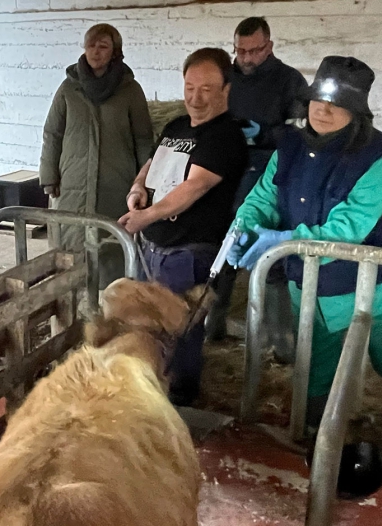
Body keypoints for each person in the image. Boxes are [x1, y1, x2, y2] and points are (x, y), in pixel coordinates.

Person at [226, 55, 382, 450]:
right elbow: (264, 197)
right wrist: (244, 225)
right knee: (313, 364)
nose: (323, 110)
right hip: (309, 286)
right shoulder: (290, 144)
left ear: (357, 110)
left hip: (373, 288)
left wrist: (282, 242)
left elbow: (348, 229)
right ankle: (311, 434)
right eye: (317, 99)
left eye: (337, 103)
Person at [118, 48, 248, 406]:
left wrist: (146, 217)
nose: (196, 97)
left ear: (226, 90)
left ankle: (180, 401)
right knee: (148, 323)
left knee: (180, 329)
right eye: (190, 87)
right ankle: (149, 390)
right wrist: (137, 188)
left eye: (207, 89)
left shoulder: (225, 136)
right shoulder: (176, 126)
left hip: (189, 252)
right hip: (155, 247)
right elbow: (152, 163)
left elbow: (194, 187)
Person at [206, 17, 309, 357]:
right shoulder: (225, 78)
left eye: (255, 51)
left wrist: (263, 134)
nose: (247, 58)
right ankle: (212, 326)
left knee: (270, 261)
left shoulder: (290, 81)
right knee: (219, 250)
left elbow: (300, 134)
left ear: (270, 46)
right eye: (241, 51)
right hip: (224, 173)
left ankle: (282, 344)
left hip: (268, 177)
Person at [40, 23, 155, 288]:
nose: (95, 51)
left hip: (116, 186)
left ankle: (109, 304)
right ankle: (70, 302)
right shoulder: (69, 89)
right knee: (70, 243)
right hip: (72, 185)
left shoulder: (130, 91)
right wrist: (49, 175)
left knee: (111, 244)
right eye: (91, 45)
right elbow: (52, 133)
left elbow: (143, 138)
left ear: (115, 52)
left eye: (103, 46)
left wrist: (145, 183)